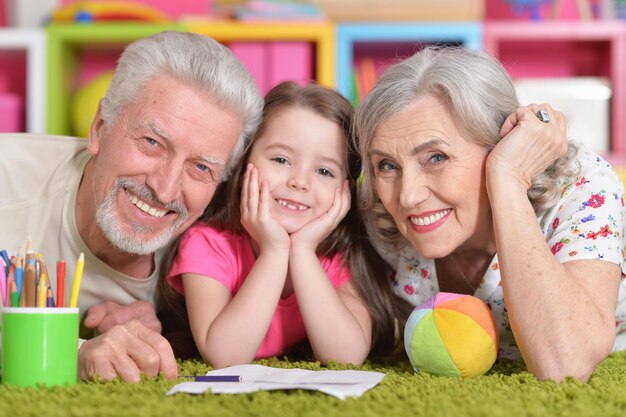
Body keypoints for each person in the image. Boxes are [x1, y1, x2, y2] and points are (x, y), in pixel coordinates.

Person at [0, 31, 263, 382]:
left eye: (201, 167)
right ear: (99, 128)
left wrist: (165, 326)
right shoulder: (7, 177)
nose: (165, 189)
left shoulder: (222, 249)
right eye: (152, 142)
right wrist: (71, 352)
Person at [354, 46, 626, 383]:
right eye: (388, 165)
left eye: (436, 157)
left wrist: (507, 179)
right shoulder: (375, 211)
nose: (408, 196)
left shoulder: (581, 184)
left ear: (501, 144)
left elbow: (566, 365)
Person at [163, 81, 405, 367]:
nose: (299, 181)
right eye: (281, 159)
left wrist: (302, 251)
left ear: (345, 190)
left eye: (324, 171)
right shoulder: (207, 244)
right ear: (244, 161)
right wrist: (275, 251)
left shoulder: (341, 253)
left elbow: (346, 357)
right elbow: (225, 355)